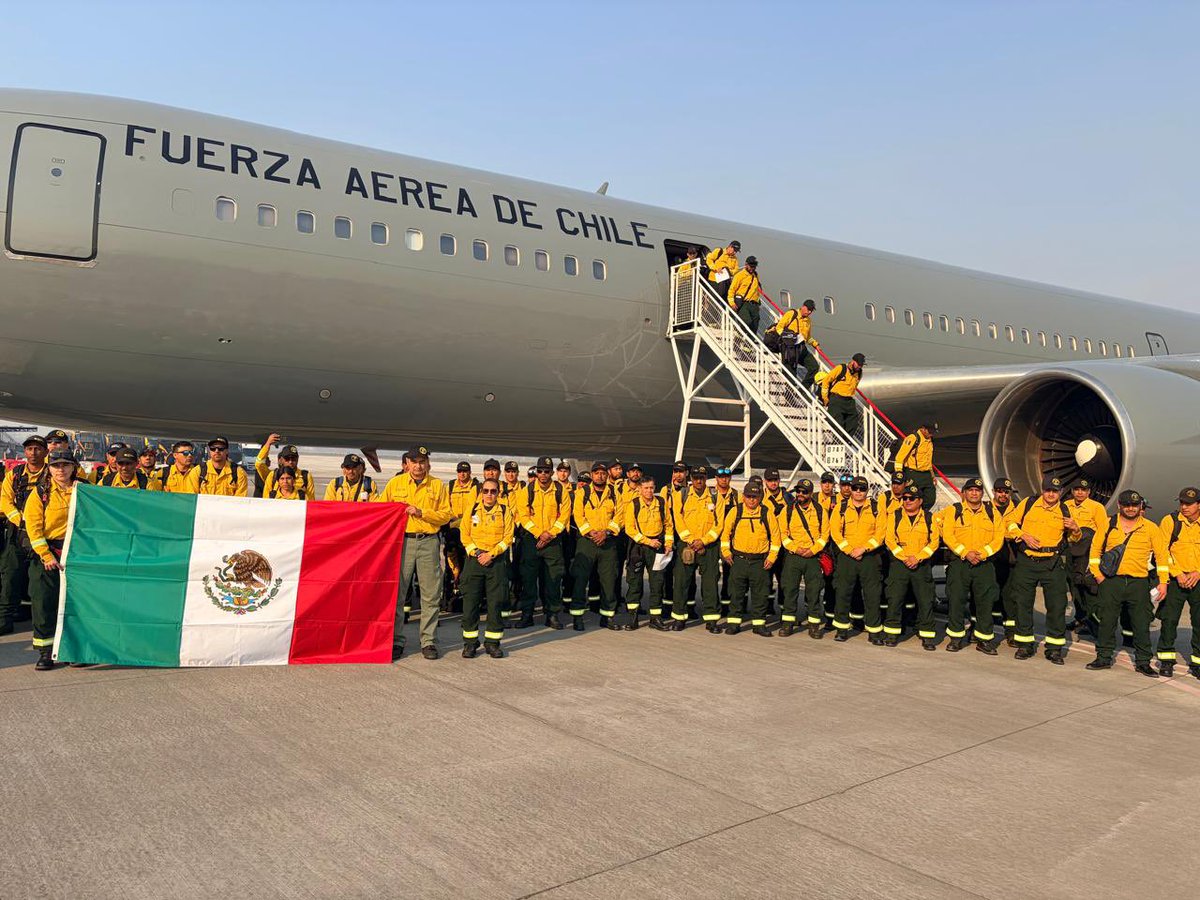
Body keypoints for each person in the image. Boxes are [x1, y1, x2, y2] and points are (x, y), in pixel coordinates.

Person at [375, 445, 452, 660]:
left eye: (422, 462)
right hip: (403, 543)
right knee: (398, 594)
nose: (418, 466)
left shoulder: (437, 485)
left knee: (430, 595)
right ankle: (396, 640)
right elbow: (381, 510)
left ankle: (428, 641)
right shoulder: (395, 483)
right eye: (414, 461)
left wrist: (422, 513)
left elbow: (446, 515)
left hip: (428, 542)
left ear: (428, 464)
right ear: (407, 463)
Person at [1085, 490, 1169, 678]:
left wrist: (1163, 582)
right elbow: (1095, 550)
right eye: (1126, 505)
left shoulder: (1151, 528)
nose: (1130, 508)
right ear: (1119, 506)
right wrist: (1099, 576)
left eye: (1134, 505)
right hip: (1111, 582)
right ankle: (1103, 657)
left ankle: (1143, 662)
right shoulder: (1107, 524)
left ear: (1140, 506)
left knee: (1141, 623)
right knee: (1107, 621)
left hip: (1138, 583)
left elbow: (1162, 556)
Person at [1003, 475, 1082, 664]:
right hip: (1027, 561)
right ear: (1042, 490)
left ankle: (1054, 649)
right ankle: (1025, 645)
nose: (1051, 494)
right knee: (1022, 604)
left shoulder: (1066, 510)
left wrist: (1076, 529)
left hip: (1052, 563)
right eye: (1048, 490)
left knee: (1056, 606)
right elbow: (1009, 524)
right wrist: (1022, 535)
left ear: (1061, 492)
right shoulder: (1028, 504)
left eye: (1055, 491)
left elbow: (1073, 540)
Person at [23, 449, 81, 670]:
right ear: (49, 468)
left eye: (65, 465)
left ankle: (71, 649)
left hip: (76, 552)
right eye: (56, 465)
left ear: (73, 467)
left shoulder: (83, 490)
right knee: (44, 603)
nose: (61, 469)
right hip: (47, 553)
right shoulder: (40, 493)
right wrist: (46, 555)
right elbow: (33, 528)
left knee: (74, 603)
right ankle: (46, 652)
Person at [939, 477, 1007, 655]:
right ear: (964, 493)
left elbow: (998, 538)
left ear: (982, 493)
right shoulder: (954, 510)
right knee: (956, 600)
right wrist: (965, 552)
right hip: (960, 563)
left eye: (977, 490)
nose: (974, 493)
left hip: (984, 564)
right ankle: (955, 638)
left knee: (985, 602)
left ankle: (984, 639)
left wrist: (982, 553)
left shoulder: (992, 513)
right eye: (970, 490)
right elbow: (948, 534)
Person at [513, 456, 571, 630]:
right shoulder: (527, 490)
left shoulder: (561, 490)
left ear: (552, 473)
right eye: (540, 471)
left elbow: (564, 515)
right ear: (536, 472)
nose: (543, 474)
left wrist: (550, 534)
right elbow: (523, 516)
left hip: (553, 542)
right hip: (532, 540)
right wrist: (539, 534)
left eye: (547, 471)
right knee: (528, 580)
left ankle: (552, 615)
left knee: (553, 580)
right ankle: (527, 615)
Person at [0, 435, 50, 635]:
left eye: (38, 449)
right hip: (17, 533)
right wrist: (19, 518)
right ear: (25, 452)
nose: (33, 453)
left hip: (43, 534)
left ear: (46, 452)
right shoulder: (15, 474)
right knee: (10, 577)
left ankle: (43, 623)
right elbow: (5, 500)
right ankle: (4, 619)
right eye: (29, 449)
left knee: (40, 582)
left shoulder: (52, 474)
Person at [458, 477, 513, 658]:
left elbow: (507, 538)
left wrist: (492, 554)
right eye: (486, 491)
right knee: (470, 603)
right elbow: (464, 534)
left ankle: (492, 643)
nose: (489, 494)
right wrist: (477, 553)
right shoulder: (472, 509)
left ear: (499, 493)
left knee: (495, 603)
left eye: (493, 491)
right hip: (474, 562)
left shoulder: (505, 510)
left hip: (495, 562)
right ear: (481, 492)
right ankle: (470, 643)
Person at [883, 483, 941, 648]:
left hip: (921, 565)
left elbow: (934, 542)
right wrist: (904, 557)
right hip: (900, 564)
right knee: (894, 599)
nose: (907, 501)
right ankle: (892, 634)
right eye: (905, 498)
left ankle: (927, 635)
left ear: (920, 501)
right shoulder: (895, 516)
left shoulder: (930, 518)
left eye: (912, 498)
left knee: (925, 601)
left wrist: (918, 557)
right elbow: (889, 540)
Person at [720, 481, 780, 637]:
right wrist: (726, 552)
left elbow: (775, 537)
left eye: (755, 496)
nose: (752, 500)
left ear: (760, 497)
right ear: (744, 497)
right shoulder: (736, 511)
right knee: (736, 593)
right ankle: (734, 623)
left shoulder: (767, 513)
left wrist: (772, 557)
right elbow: (725, 533)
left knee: (760, 594)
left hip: (759, 561)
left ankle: (759, 625)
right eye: (749, 496)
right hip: (738, 559)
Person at [830, 476, 885, 642]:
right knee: (843, 593)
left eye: (862, 489)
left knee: (872, 595)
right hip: (847, 557)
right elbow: (835, 532)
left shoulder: (876, 508)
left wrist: (864, 548)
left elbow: (880, 533)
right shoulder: (841, 508)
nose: (858, 492)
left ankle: (874, 631)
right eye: (855, 488)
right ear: (851, 490)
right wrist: (849, 549)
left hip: (869, 557)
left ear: (867, 491)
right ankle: (841, 629)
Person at [571, 461, 622, 629]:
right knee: (580, 579)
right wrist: (592, 533)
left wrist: (606, 533)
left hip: (608, 543)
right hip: (587, 542)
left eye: (602, 473)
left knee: (608, 580)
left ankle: (607, 616)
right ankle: (577, 616)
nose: (600, 476)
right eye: (596, 473)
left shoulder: (614, 493)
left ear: (607, 475)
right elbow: (578, 515)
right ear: (592, 475)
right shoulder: (583, 492)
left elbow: (620, 516)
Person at [671, 465, 722, 632]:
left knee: (710, 584)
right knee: (681, 583)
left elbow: (719, 524)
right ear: (690, 478)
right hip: (687, 546)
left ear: (706, 477)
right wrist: (692, 540)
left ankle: (711, 620)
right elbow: (678, 520)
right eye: (695, 477)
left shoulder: (716, 496)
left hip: (709, 547)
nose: (698, 480)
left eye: (701, 477)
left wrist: (704, 541)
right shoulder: (682, 495)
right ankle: (679, 618)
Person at [1156, 487, 1200, 678]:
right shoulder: (1170, 521)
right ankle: (1166, 660)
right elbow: (1162, 551)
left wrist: (1198, 573)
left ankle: (1197, 661)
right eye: (1181, 503)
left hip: (1198, 580)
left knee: (1199, 622)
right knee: (1169, 620)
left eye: (1189, 504)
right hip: (1176, 580)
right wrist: (1177, 573)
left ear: (1199, 504)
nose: (1184, 507)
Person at [779, 478, 827, 638]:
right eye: (798, 491)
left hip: (812, 558)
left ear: (810, 493)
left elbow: (824, 536)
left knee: (813, 592)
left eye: (804, 492)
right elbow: (783, 535)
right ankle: (787, 624)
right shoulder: (788, 510)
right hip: (794, 557)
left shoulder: (820, 510)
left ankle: (814, 626)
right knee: (790, 590)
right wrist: (796, 549)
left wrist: (813, 550)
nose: (800, 494)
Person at [623, 476, 673, 631]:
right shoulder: (634, 504)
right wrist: (647, 541)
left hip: (657, 547)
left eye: (651, 488)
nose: (649, 491)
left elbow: (668, 525)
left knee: (657, 583)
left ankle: (655, 618)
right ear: (640, 489)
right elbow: (629, 529)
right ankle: (633, 618)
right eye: (646, 488)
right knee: (634, 583)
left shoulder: (662, 503)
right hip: (638, 548)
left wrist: (668, 544)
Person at [1064, 478, 1108, 632]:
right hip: (1070, 549)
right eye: (1076, 489)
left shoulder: (1096, 507)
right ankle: (1081, 618)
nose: (1080, 492)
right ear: (1072, 491)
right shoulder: (1066, 505)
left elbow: (1103, 531)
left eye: (1083, 490)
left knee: (1087, 585)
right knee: (1073, 585)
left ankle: (1094, 621)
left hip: (1087, 551)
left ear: (1089, 492)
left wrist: (1098, 555)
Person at [445, 461, 481, 612]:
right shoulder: (451, 486)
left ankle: (470, 599)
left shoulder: (476, 487)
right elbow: (445, 506)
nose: (462, 474)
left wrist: (461, 521)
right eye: (460, 471)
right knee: (451, 565)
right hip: (452, 531)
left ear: (470, 472)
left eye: (465, 471)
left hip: (468, 530)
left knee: (468, 565)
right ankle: (450, 598)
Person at [991, 477, 1020, 646]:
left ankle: (1011, 633)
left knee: (1010, 597)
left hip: (1010, 559)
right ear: (994, 492)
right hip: (990, 559)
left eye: (1006, 492)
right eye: (1000, 491)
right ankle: (982, 629)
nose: (1003, 494)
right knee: (988, 595)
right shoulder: (985, 508)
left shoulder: (1017, 509)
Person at [767, 299, 821, 388]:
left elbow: (807, 337)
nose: (809, 312)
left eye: (811, 311)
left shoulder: (808, 321)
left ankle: (803, 389)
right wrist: (786, 338)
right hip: (789, 348)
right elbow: (779, 327)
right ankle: (789, 397)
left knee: (814, 366)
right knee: (791, 376)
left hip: (800, 347)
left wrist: (815, 344)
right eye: (808, 310)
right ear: (803, 307)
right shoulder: (792, 314)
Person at [254, 433, 315, 498]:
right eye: (287, 458)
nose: (290, 461)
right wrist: (268, 444)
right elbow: (259, 463)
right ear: (281, 460)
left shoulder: (306, 477)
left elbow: (310, 501)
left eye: (293, 459)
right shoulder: (273, 475)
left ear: (298, 459)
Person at [894, 423, 937, 511]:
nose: (931, 434)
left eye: (933, 432)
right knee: (912, 497)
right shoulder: (913, 438)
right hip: (913, 473)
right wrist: (899, 473)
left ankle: (921, 513)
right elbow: (900, 457)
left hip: (926, 474)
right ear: (923, 429)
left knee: (930, 498)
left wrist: (932, 476)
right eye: (930, 431)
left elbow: (928, 460)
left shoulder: (929, 440)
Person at [821, 353, 865, 435]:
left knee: (853, 421)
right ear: (853, 362)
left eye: (861, 365)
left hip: (849, 400)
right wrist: (825, 397)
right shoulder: (841, 368)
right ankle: (839, 442)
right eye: (858, 364)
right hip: (837, 398)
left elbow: (855, 386)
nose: (860, 367)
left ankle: (847, 441)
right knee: (838, 423)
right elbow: (826, 381)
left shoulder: (859, 373)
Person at [727, 255, 763, 335]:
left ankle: (751, 340)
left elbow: (755, 290)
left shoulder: (755, 276)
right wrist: (732, 303)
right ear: (746, 265)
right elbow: (731, 290)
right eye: (751, 266)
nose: (752, 268)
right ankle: (739, 334)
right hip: (744, 303)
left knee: (755, 322)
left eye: (754, 267)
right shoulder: (739, 276)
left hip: (754, 304)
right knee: (747, 321)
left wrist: (757, 302)